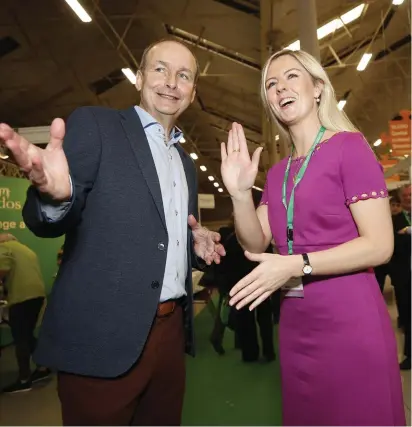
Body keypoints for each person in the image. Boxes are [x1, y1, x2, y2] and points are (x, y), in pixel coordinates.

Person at [0, 38, 225, 425]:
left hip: (169, 336)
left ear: (192, 92)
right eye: (160, 69)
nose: (171, 81)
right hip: (101, 338)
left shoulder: (186, 164)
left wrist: (192, 240)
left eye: (184, 75)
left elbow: (154, 236)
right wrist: (55, 196)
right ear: (138, 78)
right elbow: (50, 218)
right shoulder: (97, 125)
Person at [221, 49, 405, 425]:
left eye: (291, 77)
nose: (280, 88)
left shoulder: (349, 147)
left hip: (350, 320)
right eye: (271, 84)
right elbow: (255, 242)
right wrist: (241, 194)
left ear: (318, 87)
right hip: (297, 323)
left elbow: (381, 245)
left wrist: (299, 264)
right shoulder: (276, 174)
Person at [0, 234, 51, 393]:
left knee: (20, 337)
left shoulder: (4, 248)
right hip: (37, 295)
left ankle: (24, 380)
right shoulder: (27, 250)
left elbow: (1, 272)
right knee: (27, 334)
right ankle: (43, 367)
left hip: (21, 296)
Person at [390, 184, 411, 370]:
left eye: (410, 194)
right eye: (405, 195)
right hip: (405, 274)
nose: (408, 198)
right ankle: (410, 355)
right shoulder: (398, 219)